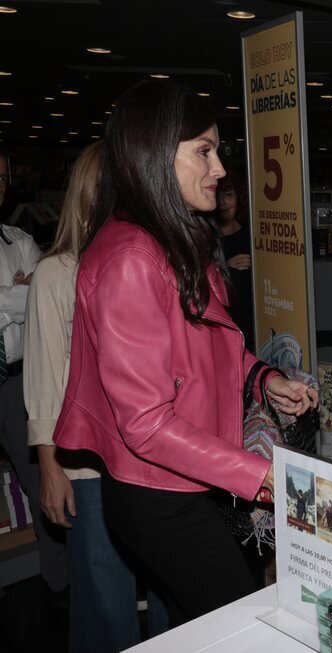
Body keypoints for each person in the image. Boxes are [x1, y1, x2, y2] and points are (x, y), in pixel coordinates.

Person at [52, 80, 317, 626]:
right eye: (203, 150)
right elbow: (145, 423)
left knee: (222, 622)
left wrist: (264, 378)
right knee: (245, 623)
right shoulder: (131, 257)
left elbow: (215, 350)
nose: (219, 168)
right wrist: (255, 473)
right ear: (154, 156)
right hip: (161, 492)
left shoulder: (176, 238)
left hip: (198, 475)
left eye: (217, 150)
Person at [24, 142, 169, 652]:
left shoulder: (146, 261)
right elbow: (44, 374)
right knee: (105, 602)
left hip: (152, 461)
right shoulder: (55, 273)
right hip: (88, 467)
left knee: (170, 593)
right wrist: (49, 467)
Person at [0, 148, 69, 603]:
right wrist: (18, 292)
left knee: (42, 481)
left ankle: (60, 588)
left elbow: (45, 299)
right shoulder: (21, 253)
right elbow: (31, 300)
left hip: (13, 385)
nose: (0, 184)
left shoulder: (18, 239)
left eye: (4, 176)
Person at [210, 173, 255, 351]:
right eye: (217, 194)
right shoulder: (204, 237)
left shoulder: (250, 238)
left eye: (228, 194)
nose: (222, 202)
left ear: (239, 198)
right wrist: (224, 269)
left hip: (248, 329)